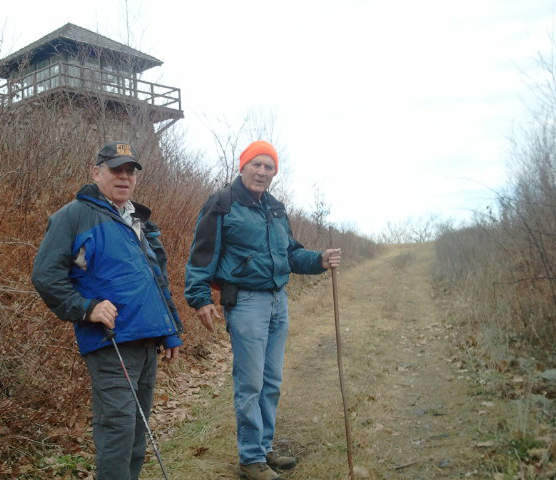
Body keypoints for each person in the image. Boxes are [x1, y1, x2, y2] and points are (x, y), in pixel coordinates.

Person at [184, 140, 341, 480]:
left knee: (271, 381)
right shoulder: (222, 203)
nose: (262, 171)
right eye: (256, 164)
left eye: (269, 166)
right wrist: (199, 298)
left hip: (276, 300)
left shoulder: (275, 208)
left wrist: (319, 260)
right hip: (245, 303)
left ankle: (264, 448)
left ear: (274, 173)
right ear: (243, 167)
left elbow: (290, 253)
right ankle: (250, 458)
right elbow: (202, 254)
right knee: (250, 382)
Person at [31, 141, 182, 480]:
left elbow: (157, 280)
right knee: (118, 431)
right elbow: (45, 275)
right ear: (96, 173)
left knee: (137, 433)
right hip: (110, 342)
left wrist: (171, 329)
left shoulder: (139, 221)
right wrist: (86, 308)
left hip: (147, 342)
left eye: (130, 171)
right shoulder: (74, 215)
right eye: (116, 170)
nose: (124, 177)